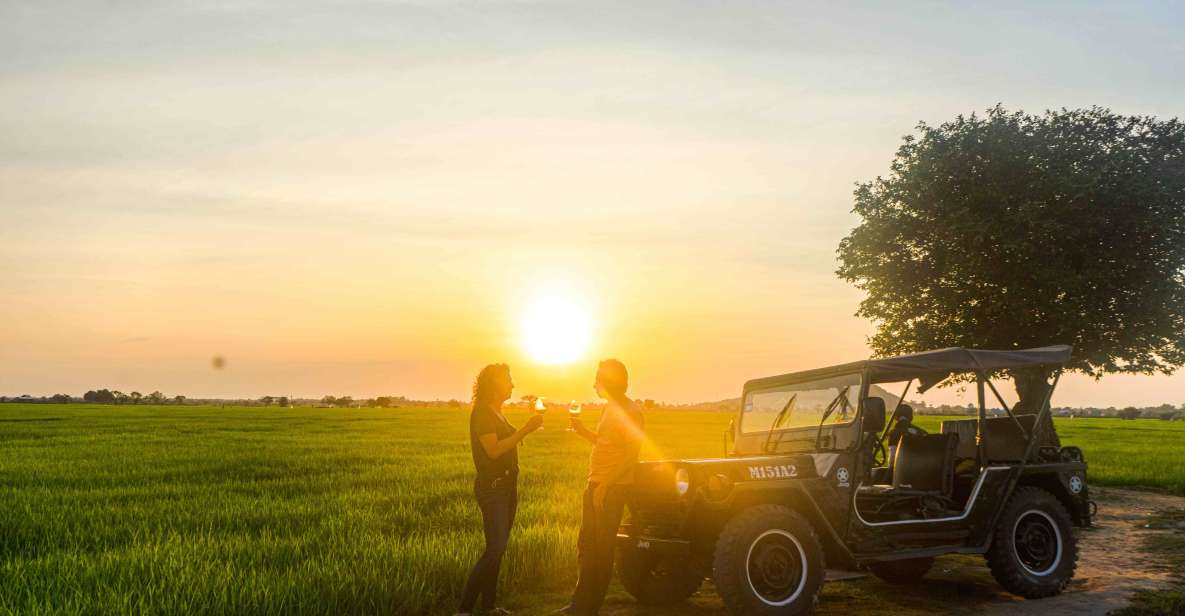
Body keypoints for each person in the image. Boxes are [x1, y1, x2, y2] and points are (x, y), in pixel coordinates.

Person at [559, 359, 645, 616]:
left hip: (612, 488)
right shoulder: (609, 408)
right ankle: (580, 603)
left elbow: (632, 454)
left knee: (601, 548)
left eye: (598, 378)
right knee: (586, 545)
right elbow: (607, 443)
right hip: (597, 483)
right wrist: (584, 432)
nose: (594, 383)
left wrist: (605, 486)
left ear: (610, 382)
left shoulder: (630, 411)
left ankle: (588, 606)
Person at [458, 364, 544, 616]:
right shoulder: (483, 413)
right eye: (508, 380)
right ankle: (463, 610)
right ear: (494, 384)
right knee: (495, 548)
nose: (513, 385)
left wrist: (523, 430)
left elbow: (504, 444)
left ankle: (489, 606)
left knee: (499, 547)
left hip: (507, 485)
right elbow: (493, 450)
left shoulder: (497, 411)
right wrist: (526, 430)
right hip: (494, 488)